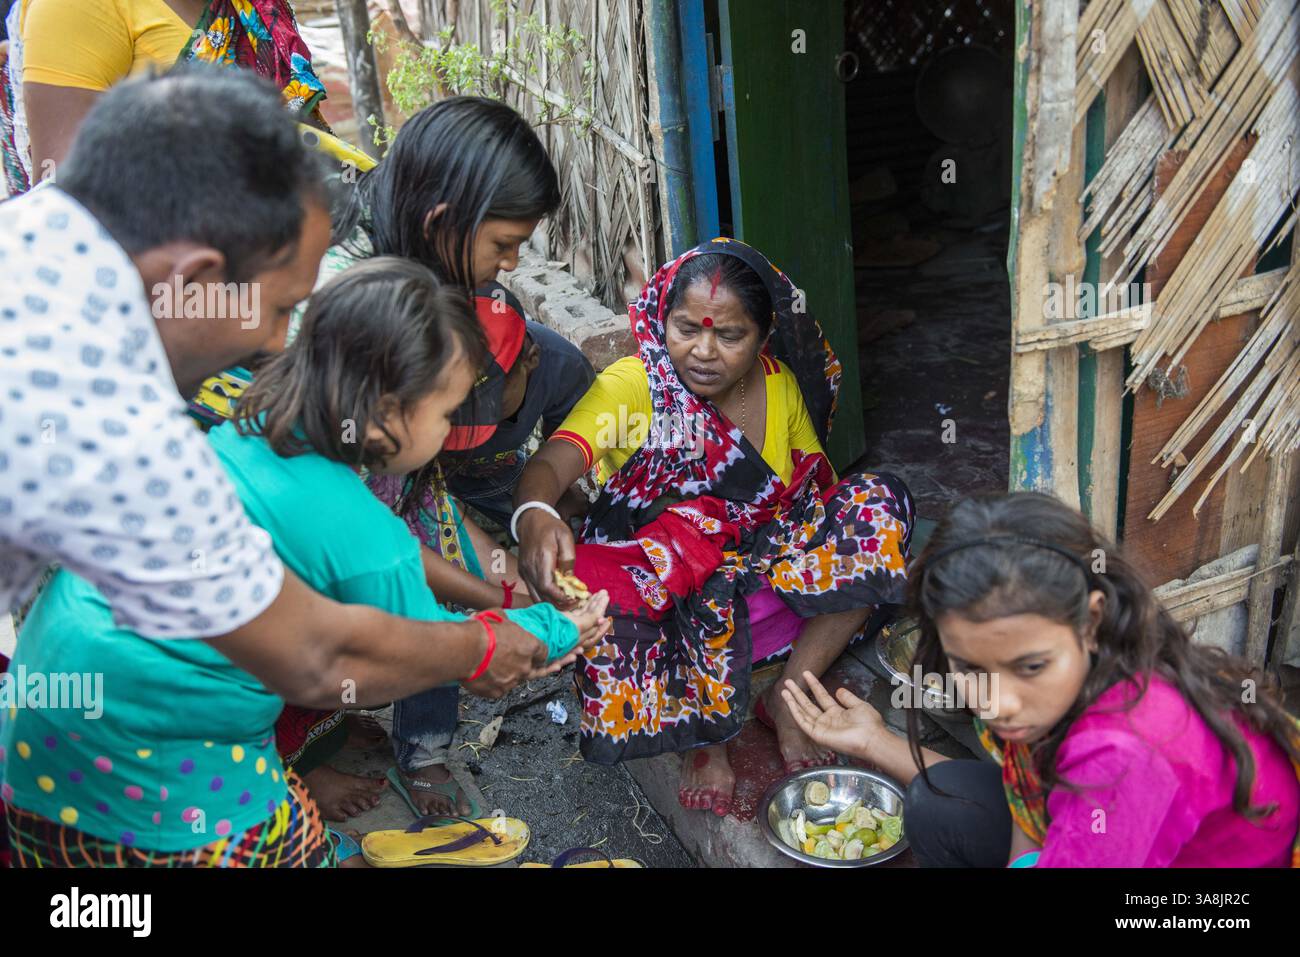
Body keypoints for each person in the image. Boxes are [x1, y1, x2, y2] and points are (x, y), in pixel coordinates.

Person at [0, 70, 573, 732]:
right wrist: (487, 641)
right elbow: (313, 653)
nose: (279, 341)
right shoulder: (136, 438)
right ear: (198, 281)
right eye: (276, 309)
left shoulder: (45, 229)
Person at [0, 257, 611, 867]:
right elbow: (441, 655)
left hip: (40, 732)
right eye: (447, 412)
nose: (450, 428)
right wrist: (557, 629)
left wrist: (504, 597)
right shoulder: (353, 521)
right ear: (394, 412)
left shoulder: (258, 428)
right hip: (158, 776)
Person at [247, 95, 596, 817]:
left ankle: (304, 747)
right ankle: (278, 783)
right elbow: (379, 554)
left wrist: (503, 585)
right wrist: (490, 632)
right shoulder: (346, 314)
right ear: (443, 221)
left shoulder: (398, 252)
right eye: (503, 244)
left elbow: (407, 503)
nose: (508, 266)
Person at [513, 238, 915, 818]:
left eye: (730, 336)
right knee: (638, 561)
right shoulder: (635, 384)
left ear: (763, 334)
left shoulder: (777, 385)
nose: (703, 351)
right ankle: (705, 735)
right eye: (685, 328)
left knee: (880, 505)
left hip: (763, 582)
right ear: (662, 318)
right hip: (673, 598)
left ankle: (788, 693)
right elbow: (552, 463)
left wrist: (844, 550)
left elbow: (818, 492)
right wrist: (535, 515)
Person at [781, 492, 1300, 867]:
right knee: (941, 803)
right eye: (971, 669)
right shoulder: (1079, 681)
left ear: (1091, 622)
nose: (1001, 703)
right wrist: (874, 739)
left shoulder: (1125, 749)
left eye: (1030, 667)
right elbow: (1025, 803)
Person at [16, 0, 344, 175]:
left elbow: (298, 128)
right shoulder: (75, 6)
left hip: (294, 231)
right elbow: (62, 182)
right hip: (186, 265)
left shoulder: (256, 6)